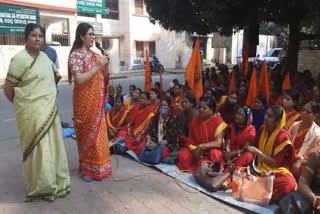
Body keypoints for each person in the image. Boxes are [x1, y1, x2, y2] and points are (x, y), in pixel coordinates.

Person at [3, 23, 70, 202]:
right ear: (26, 38)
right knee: (38, 151)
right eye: (33, 35)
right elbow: (9, 89)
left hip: (49, 112)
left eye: (40, 36)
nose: (37, 39)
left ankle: (56, 183)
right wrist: (25, 106)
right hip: (30, 115)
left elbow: (52, 82)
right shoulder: (19, 60)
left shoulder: (46, 59)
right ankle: (40, 187)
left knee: (52, 148)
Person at [68, 22, 112, 182]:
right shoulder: (75, 56)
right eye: (90, 34)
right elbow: (79, 79)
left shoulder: (96, 55)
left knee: (99, 134)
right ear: (81, 36)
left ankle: (101, 167)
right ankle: (87, 170)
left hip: (97, 102)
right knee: (85, 134)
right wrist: (97, 66)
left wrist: (106, 63)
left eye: (94, 34)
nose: (93, 37)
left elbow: (104, 76)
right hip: (83, 102)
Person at [245, 106, 297, 203]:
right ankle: (256, 188)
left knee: (288, 184)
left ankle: (256, 190)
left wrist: (257, 152)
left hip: (275, 171)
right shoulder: (262, 129)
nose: (265, 117)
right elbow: (253, 148)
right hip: (258, 168)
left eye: (270, 116)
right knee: (245, 161)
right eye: (266, 114)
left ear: (277, 122)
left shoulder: (283, 137)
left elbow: (275, 163)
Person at [177, 96, 227, 172]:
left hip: (210, 151)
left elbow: (218, 143)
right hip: (196, 150)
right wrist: (195, 150)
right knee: (184, 156)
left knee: (215, 154)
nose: (200, 110)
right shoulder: (196, 119)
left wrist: (203, 146)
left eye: (204, 108)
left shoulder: (218, 121)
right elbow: (190, 139)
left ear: (211, 110)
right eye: (200, 107)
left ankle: (209, 169)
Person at [143, 96, 180, 164]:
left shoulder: (172, 120)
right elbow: (149, 131)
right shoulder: (155, 118)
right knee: (143, 146)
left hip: (166, 144)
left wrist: (158, 144)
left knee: (164, 152)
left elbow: (173, 138)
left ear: (169, 107)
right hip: (154, 141)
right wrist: (149, 139)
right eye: (161, 105)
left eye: (165, 105)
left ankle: (162, 157)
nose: (163, 107)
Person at [290, 102, 320, 177]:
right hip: (288, 157)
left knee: (302, 169)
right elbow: (285, 142)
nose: (303, 113)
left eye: (308, 112)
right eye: (303, 110)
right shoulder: (295, 125)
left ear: (315, 115)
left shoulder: (318, 133)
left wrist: (300, 161)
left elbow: (313, 156)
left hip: (302, 162)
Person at [224, 106, 256, 171]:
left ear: (247, 117)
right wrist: (228, 159)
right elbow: (228, 143)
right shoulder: (231, 126)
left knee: (249, 155)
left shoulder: (251, 129)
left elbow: (246, 148)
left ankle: (232, 170)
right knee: (215, 152)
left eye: (240, 114)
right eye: (237, 113)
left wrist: (232, 154)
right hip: (228, 155)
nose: (237, 116)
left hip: (241, 155)